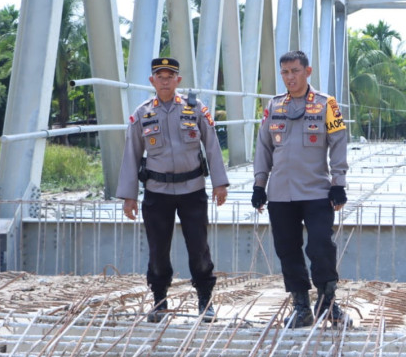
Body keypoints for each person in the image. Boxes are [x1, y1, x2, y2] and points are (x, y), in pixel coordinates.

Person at [116, 57, 229, 323]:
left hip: (192, 190)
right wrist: (129, 197)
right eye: (160, 77)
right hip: (157, 193)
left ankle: (205, 301)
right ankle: (159, 301)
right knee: (158, 251)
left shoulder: (195, 109)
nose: (165, 82)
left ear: (178, 80)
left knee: (199, 249)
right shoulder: (142, 114)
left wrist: (220, 183)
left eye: (170, 77)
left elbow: (212, 145)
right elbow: (131, 154)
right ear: (152, 81)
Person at [251, 50, 351, 328]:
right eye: (285, 72)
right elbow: (263, 147)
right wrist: (259, 184)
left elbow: (338, 143)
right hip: (280, 194)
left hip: (316, 191)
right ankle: (301, 307)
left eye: (295, 71)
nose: (290, 77)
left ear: (307, 72)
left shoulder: (326, 104)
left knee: (321, 246)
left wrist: (339, 183)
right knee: (287, 250)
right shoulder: (274, 105)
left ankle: (328, 303)